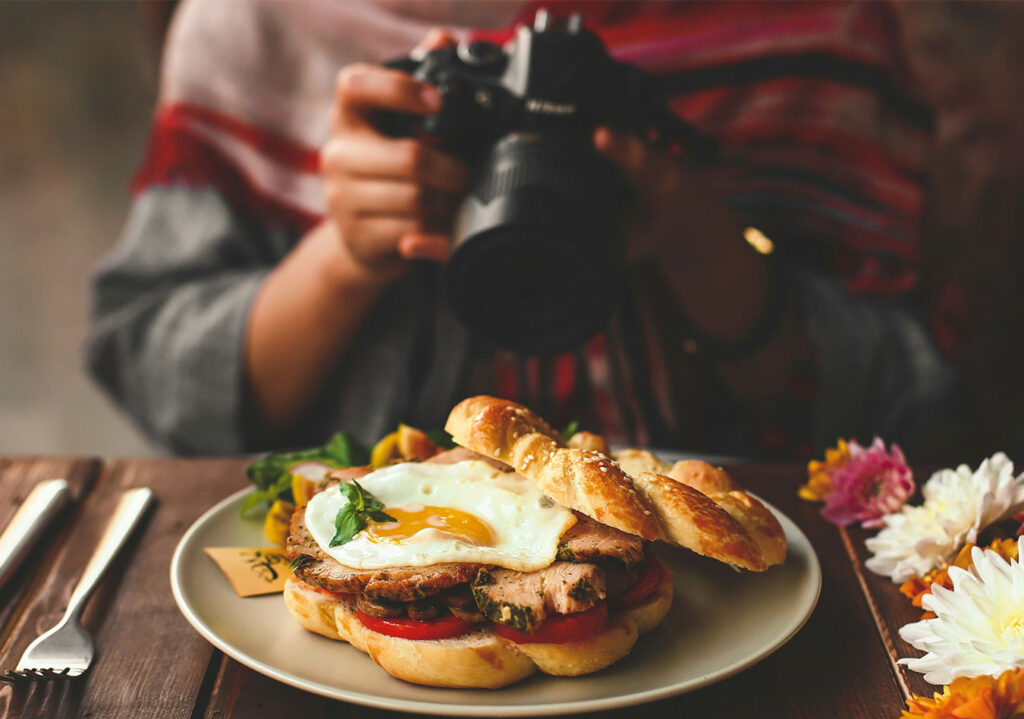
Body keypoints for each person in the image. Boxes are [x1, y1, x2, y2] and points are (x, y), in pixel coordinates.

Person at [86, 0, 956, 458]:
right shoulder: (258, 22)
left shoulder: (810, 28)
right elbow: (157, 370)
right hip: (364, 566)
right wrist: (341, 261)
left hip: (713, 590)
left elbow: (909, 411)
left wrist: (699, 243)